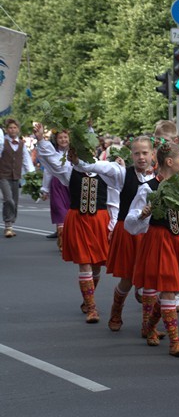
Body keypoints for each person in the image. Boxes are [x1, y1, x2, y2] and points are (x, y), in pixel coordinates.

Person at [125, 142, 179, 357]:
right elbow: (131, 221)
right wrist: (143, 214)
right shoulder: (148, 187)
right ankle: (175, 341)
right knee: (168, 288)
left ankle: (150, 325)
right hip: (160, 240)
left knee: (173, 288)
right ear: (169, 162)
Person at [70, 136, 156, 332]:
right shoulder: (123, 173)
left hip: (152, 234)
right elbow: (99, 167)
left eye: (145, 153)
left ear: (152, 154)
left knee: (151, 278)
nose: (141, 157)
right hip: (128, 233)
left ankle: (148, 324)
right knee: (128, 279)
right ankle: (116, 310)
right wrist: (78, 161)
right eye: (137, 153)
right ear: (131, 155)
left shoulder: (160, 177)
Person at [33, 122, 110, 324]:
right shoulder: (69, 170)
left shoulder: (106, 169)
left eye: (87, 148)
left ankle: (88, 299)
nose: (82, 152)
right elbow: (51, 159)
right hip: (79, 220)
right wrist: (41, 139)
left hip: (101, 221)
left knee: (96, 267)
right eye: (78, 149)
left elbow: (117, 197)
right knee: (84, 263)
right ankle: (92, 308)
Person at [0, 118, 35, 237]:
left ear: (18, 129)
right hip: (3, 175)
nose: (12, 130)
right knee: (8, 199)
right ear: (6, 129)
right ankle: (8, 225)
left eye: (15, 127)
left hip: (16, 176)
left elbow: (26, 159)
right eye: (10, 128)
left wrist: (31, 173)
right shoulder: (2, 142)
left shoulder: (21, 144)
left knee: (15, 201)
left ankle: (11, 224)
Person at [40, 129, 71, 247]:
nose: (63, 140)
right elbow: (48, 171)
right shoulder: (53, 154)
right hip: (57, 186)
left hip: (72, 187)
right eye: (60, 138)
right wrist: (45, 189)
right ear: (56, 140)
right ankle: (62, 241)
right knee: (60, 212)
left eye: (65, 137)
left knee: (71, 213)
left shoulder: (75, 153)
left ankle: (69, 240)